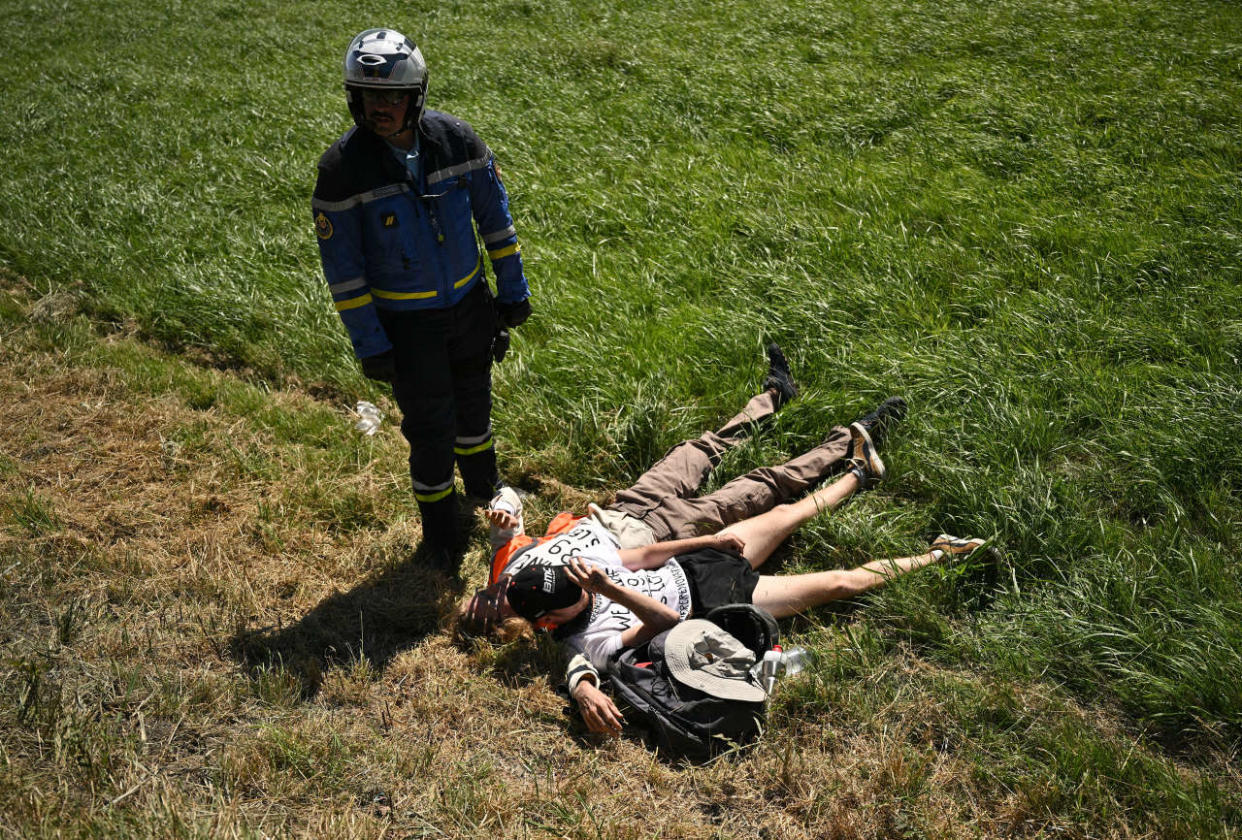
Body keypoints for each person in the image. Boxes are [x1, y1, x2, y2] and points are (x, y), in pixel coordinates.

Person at [312, 29, 532, 551]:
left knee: (474, 406)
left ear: (415, 97)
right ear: (353, 98)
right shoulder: (341, 171)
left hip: (470, 308)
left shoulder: (457, 141)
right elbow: (344, 273)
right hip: (407, 328)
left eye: (392, 96)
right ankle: (440, 536)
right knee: (431, 427)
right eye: (368, 96)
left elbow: (496, 223)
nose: (380, 108)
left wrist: (512, 292)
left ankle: (484, 492)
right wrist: (371, 344)